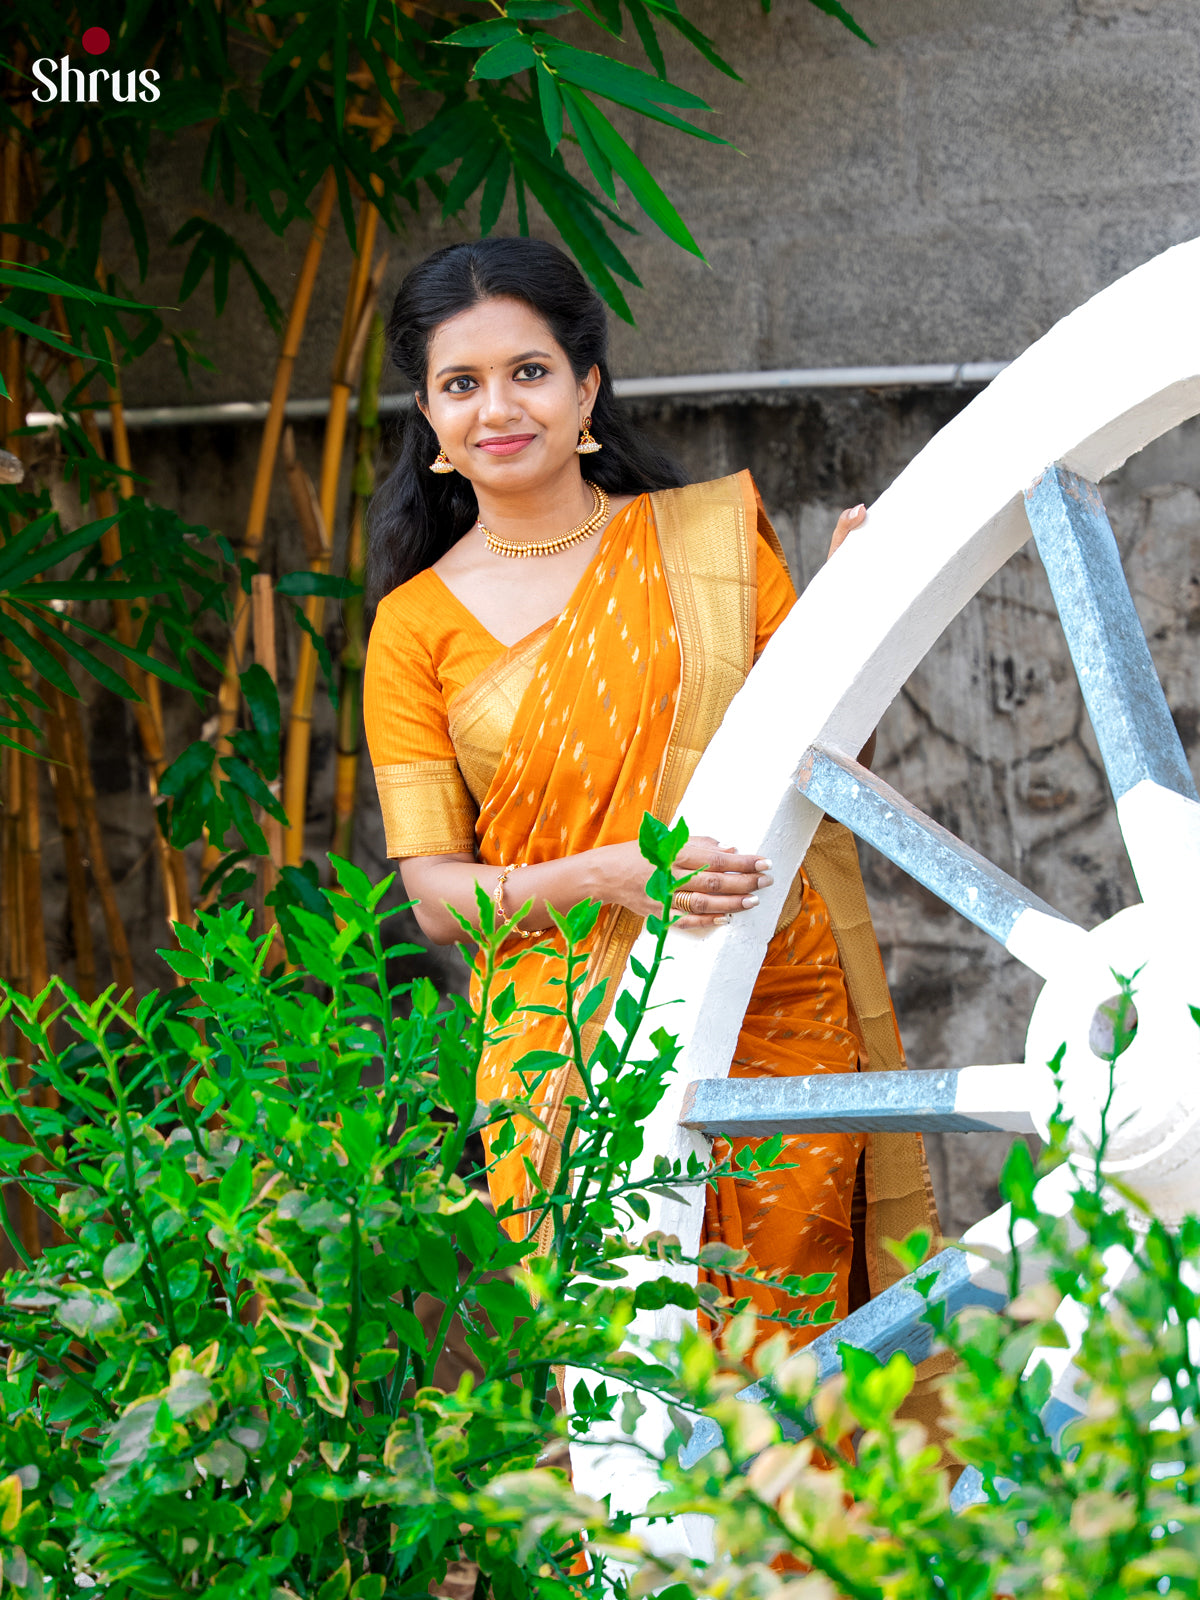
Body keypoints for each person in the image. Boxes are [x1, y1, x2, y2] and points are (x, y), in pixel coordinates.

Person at [363, 236, 940, 1348]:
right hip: (560, 1041)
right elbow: (436, 899)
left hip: (771, 996)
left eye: (528, 371)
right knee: (624, 1381)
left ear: (586, 386)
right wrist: (609, 877)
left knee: (795, 1355)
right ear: (429, 417)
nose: (498, 407)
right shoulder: (414, 628)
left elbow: (828, 762)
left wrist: (861, 612)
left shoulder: (706, 543)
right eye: (460, 383)